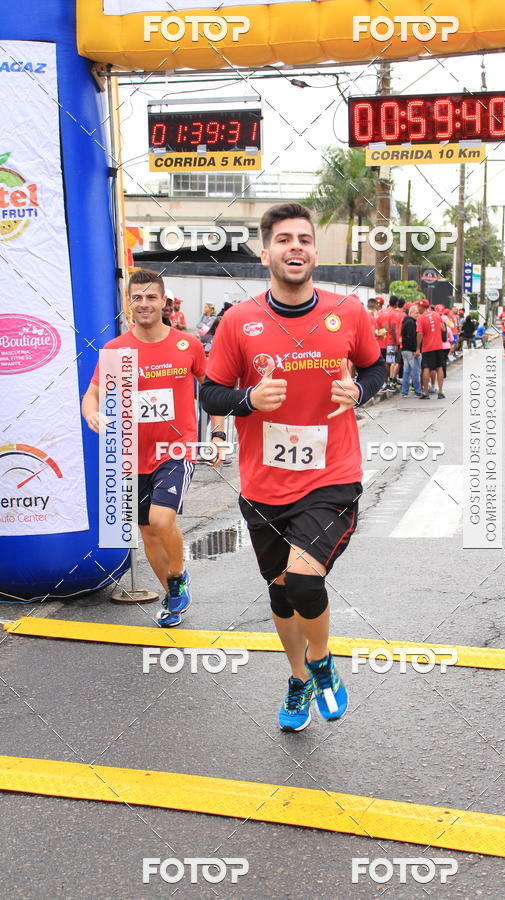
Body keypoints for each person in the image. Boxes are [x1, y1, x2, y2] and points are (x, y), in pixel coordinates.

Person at [201, 202, 386, 732]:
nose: (296, 247)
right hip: (263, 483)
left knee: (305, 584)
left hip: (332, 473)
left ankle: (323, 664)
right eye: (284, 239)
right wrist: (248, 400)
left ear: (315, 251)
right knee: (281, 593)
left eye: (304, 238)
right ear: (266, 253)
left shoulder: (347, 312)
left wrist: (360, 392)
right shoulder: (238, 321)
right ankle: (298, 678)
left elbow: (375, 369)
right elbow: (210, 393)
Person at [82, 269, 226, 626]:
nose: (143, 304)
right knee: (147, 531)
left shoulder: (187, 344)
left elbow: (212, 391)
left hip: (175, 448)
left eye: (150, 297)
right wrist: (91, 414)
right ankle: (172, 595)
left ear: (164, 302)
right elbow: (92, 395)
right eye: (136, 298)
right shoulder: (115, 350)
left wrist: (219, 433)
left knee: (162, 519)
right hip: (130, 453)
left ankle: (178, 578)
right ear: (128, 304)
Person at [416, 301, 445, 399]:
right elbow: (443, 328)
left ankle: (425, 392)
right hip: (438, 346)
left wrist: (417, 348)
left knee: (426, 368)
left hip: (427, 347)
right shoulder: (436, 314)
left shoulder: (420, 318)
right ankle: (440, 392)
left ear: (421, 307)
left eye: (418, 306)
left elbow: (419, 334)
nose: (417, 309)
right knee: (439, 367)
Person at [400, 304, 422, 397]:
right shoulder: (411, 323)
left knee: (406, 372)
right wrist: (415, 349)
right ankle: (417, 391)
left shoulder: (405, 321)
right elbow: (412, 337)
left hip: (404, 349)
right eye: (416, 313)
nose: (418, 315)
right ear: (411, 313)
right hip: (410, 350)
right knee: (415, 371)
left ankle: (405, 392)